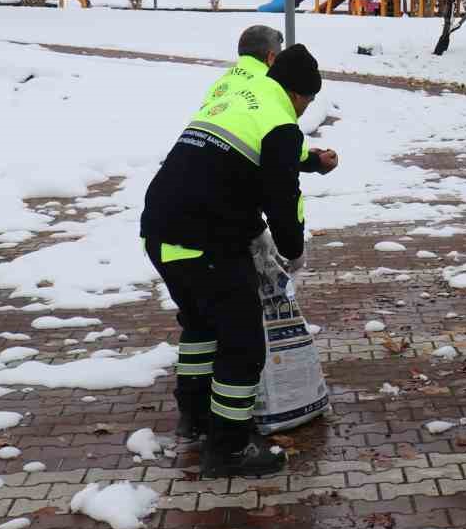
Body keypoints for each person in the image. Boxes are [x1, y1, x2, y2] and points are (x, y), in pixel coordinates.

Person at [140, 44, 328, 477]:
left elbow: (259, 158)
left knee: (202, 326)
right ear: (300, 95)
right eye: (309, 101)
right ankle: (228, 448)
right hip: (206, 242)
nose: (305, 110)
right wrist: (293, 251)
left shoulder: (246, 97)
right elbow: (282, 201)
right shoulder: (281, 121)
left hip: (161, 231)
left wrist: (312, 162)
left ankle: (195, 417)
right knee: (242, 346)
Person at [201, 25, 338, 175]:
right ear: (272, 57)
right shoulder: (265, 84)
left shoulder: (222, 82)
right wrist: (315, 161)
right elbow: (280, 140)